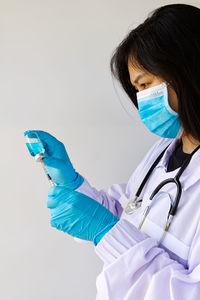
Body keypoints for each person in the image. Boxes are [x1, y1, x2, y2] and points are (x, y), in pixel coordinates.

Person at [24, 3, 200, 299]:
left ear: (189, 70)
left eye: (146, 84)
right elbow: (129, 211)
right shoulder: (162, 153)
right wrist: (73, 184)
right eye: (137, 90)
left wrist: (106, 231)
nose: (142, 100)